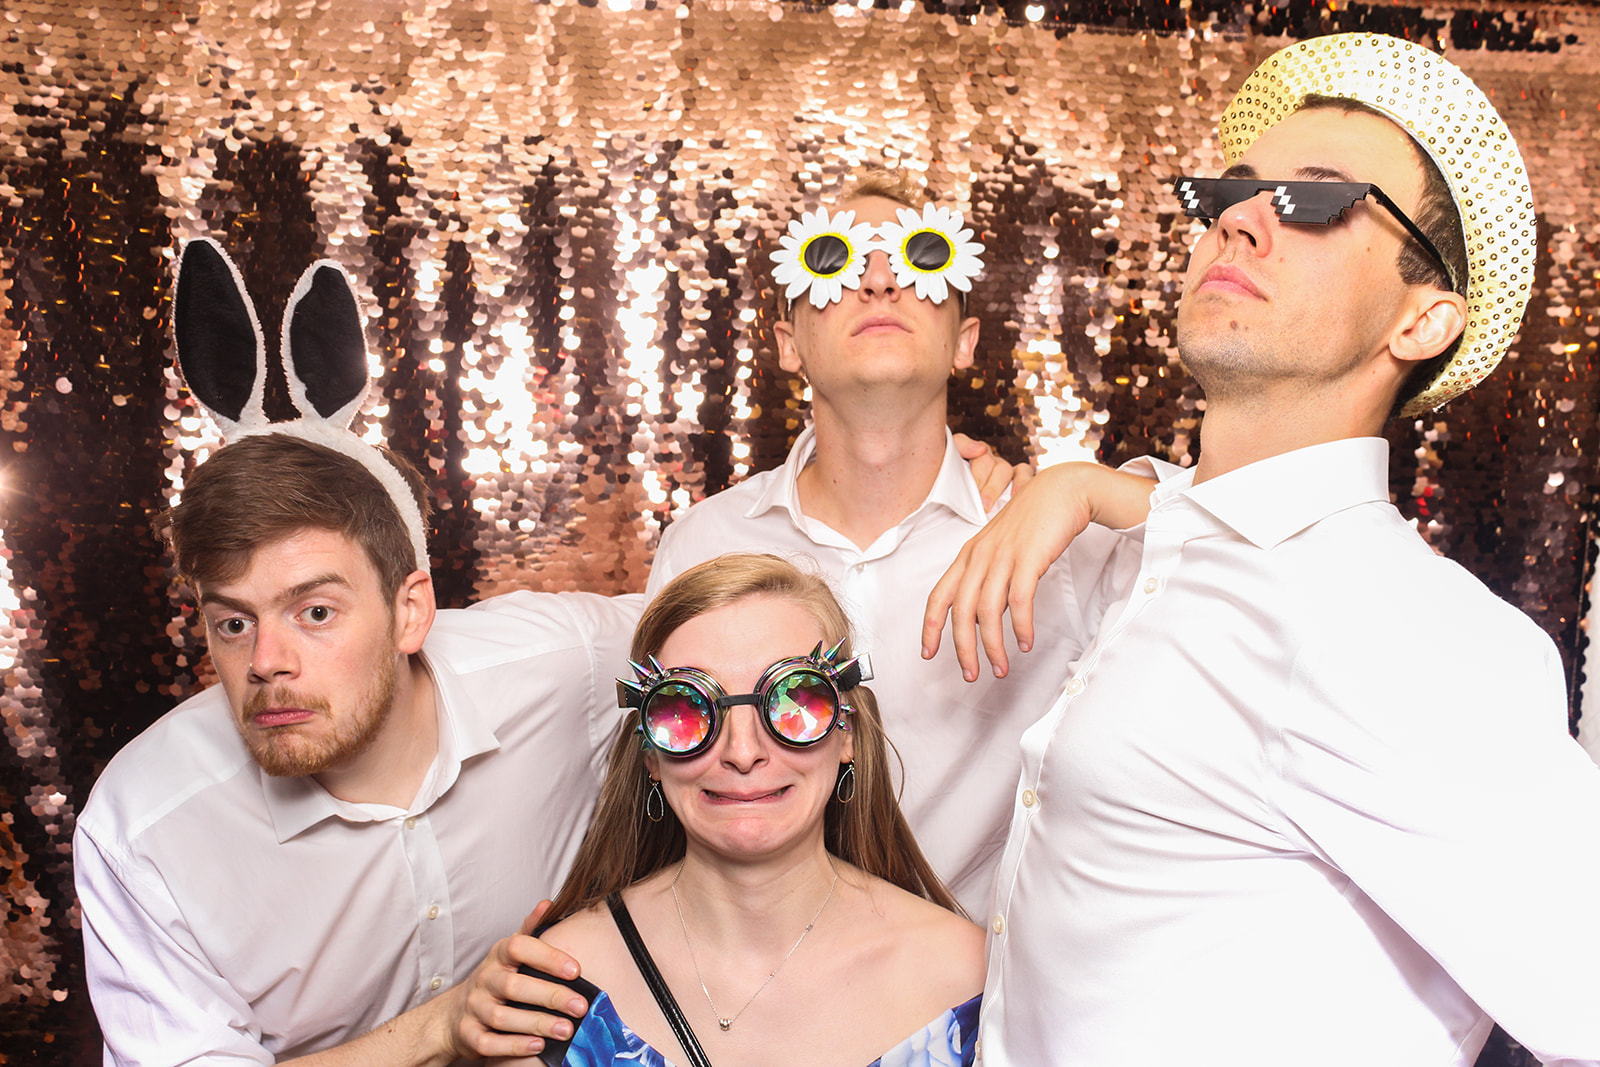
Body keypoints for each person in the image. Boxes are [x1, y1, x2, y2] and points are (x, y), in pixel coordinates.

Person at [923, 33, 1600, 1065]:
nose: (1237, 216)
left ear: (1422, 320)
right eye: (1230, 193)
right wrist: (1094, 486)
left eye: (1317, 201)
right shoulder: (1170, 550)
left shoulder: (1402, 631)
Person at [73, 240, 637, 1064]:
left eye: (315, 610)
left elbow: (738, 619)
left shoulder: (561, 662)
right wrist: (443, 1025)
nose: (265, 659)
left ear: (411, 611)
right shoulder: (145, 828)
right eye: (232, 622)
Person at [648, 170, 1148, 916]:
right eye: (834, 261)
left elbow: (1255, 556)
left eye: (920, 258)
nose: (879, 280)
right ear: (790, 346)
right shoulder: (702, 543)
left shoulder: (1048, 537)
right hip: (747, 997)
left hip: (970, 1008)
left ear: (964, 343)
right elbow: (663, 769)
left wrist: (1086, 487)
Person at [527, 553, 983, 1067]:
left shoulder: (963, 973)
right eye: (686, 710)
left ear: (847, 734)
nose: (743, 753)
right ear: (651, 756)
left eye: (795, 702)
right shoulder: (559, 984)